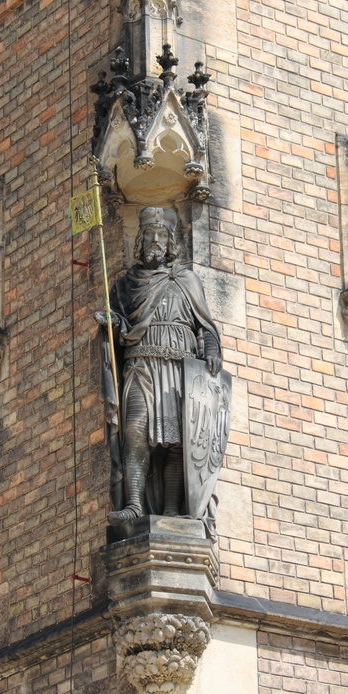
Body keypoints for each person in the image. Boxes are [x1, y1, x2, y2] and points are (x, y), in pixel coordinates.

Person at [96, 207, 222, 525]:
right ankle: (135, 504)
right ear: (141, 240)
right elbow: (121, 329)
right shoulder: (127, 284)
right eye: (149, 234)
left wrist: (211, 351)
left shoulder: (187, 280)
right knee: (135, 431)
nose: (155, 240)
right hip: (141, 365)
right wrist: (112, 324)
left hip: (181, 371)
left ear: (170, 243)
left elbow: (205, 327)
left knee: (180, 440)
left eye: (161, 235)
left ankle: (171, 509)